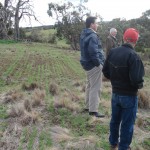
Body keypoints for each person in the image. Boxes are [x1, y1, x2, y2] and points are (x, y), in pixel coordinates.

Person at [102, 28, 145, 150]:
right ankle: (124, 147)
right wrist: (139, 86)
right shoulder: (134, 56)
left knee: (115, 120)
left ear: (124, 38)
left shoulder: (113, 52)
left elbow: (105, 72)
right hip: (129, 96)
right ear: (135, 41)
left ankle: (113, 143)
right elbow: (137, 79)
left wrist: (115, 81)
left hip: (115, 94)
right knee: (127, 124)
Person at [80, 16, 105, 118]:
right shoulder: (93, 36)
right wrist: (99, 64)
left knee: (89, 86)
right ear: (92, 24)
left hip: (86, 64)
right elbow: (93, 52)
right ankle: (93, 111)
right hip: (93, 65)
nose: (98, 25)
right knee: (95, 87)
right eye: (97, 23)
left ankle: (88, 107)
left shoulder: (84, 34)